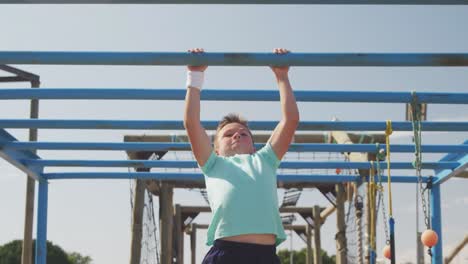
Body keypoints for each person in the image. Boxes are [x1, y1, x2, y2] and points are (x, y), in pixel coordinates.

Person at [183, 48, 299, 264]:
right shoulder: (212, 163)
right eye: (228, 134)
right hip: (226, 253)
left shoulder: (265, 159)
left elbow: (290, 120)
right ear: (215, 148)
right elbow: (191, 123)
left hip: (264, 256)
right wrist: (195, 76)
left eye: (243, 134)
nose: (237, 134)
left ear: (254, 147)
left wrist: (282, 76)